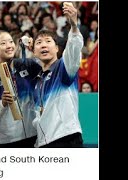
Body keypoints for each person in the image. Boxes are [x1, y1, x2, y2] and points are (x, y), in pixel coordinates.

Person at [31, 2, 84, 147]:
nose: (43, 45)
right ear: (34, 52)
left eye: (48, 41)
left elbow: (73, 50)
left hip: (66, 137)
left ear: (56, 48)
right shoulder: (38, 82)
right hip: (44, 143)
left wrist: (74, 26)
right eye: (39, 42)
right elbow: (39, 116)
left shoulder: (64, 67)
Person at [0, 31, 41, 148]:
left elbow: (49, 67)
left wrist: (34, 49)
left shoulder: (27, 65)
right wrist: (2, 104)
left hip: (34, 135)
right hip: (7, 141)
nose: (9, 46)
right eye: (3, 43)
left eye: (11, 42)